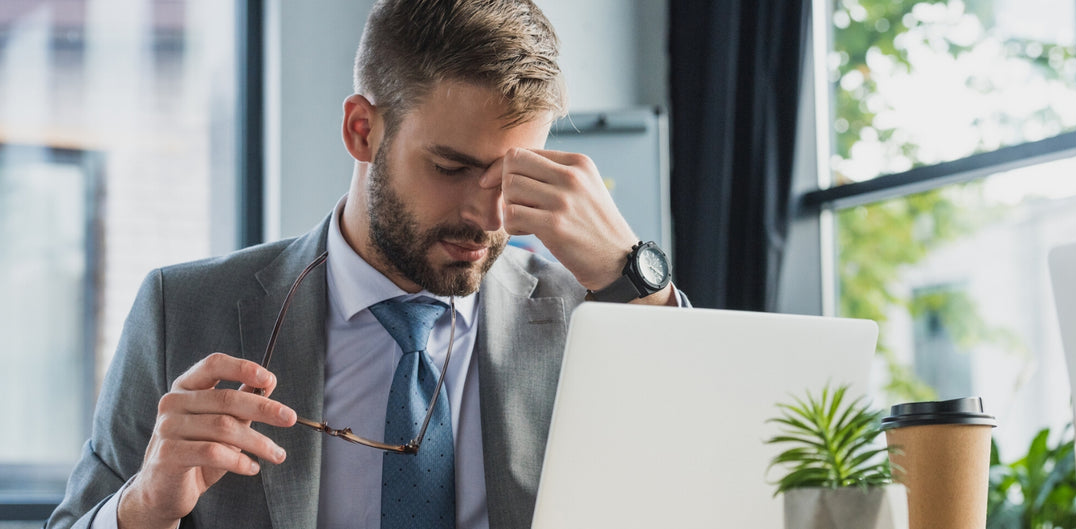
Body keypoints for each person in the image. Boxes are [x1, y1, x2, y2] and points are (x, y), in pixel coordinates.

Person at [47, 1, 685, 528]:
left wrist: (637, 275)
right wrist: (140, 509)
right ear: (361, 130)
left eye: (517, 177)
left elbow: (703, 480)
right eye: (452, 168)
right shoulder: (182, 310)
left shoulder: (591, 314)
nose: (489, 216)